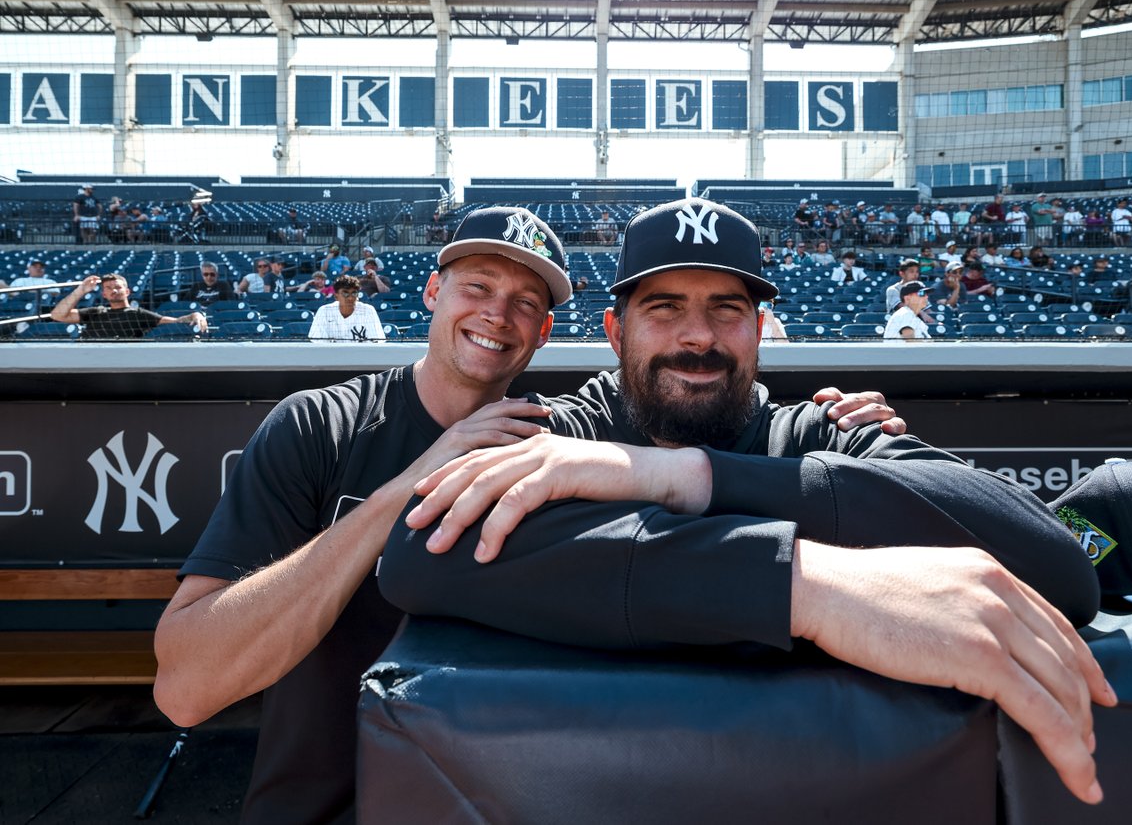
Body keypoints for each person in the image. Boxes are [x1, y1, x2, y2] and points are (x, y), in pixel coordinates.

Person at [153, 205, 906, 824]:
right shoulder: (323, 427)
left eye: (526, 303)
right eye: (477, 287)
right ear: (432, 294)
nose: (497, 315)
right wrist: (399, 493)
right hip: (322, 806)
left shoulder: (566, 441)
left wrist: (828, 450)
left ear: (547, 333)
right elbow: (187, 688)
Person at [389, 199, 1113, 808]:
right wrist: (805, 589)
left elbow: (1060, 561)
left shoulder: (822, 430)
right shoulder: (558, 431)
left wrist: (687, 477)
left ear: (760, 330)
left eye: (726, 310)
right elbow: (421, 550)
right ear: (616, 333)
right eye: (665, 308)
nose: (698, 337)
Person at [51, 273, 207, 339]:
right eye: (109, 288)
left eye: (117, 287)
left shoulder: (139, 314)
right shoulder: (94, 312)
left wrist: (195, 315)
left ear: (127, 291)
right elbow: (57, 315)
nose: (114, 291)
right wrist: (81, 290)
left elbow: (175, 322)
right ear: (104, 295)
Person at [308, 274, 386, 342]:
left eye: (354, 293)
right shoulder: (324, 311)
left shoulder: (368, 311)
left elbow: (377, 342)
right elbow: (317, 343)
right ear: (336, 296)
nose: (350, 298)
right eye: (345, 294)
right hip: (331, 356)